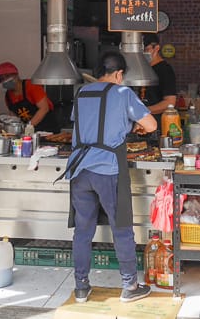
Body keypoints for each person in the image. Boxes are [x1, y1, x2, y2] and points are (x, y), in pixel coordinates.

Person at [61, 51, 157, 303]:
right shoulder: (123, 93)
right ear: (119, 74)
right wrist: (132, 124)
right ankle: (130, 286)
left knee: (83, 231)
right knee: (121, 227)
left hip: (80, 170)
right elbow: (151, 125)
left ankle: (81, 286)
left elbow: (84, 123)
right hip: (109, 169)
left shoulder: (81, 93)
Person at [0, 61, 58, 132]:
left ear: (16, 75)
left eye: (7, 76)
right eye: (2, 79)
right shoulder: (8, 96)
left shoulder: (31, 86)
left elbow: (44, 108)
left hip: (48, 130)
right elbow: (14, 118)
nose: (5, 80)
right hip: (28, 132)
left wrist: (28, 127)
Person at [140, 33, 177, 126]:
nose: (143, 53)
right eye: (140, 50)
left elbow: (170, 102)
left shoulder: (165, 70)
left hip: (157, 123)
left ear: (156, 48)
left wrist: (143, 111)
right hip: (140, 122)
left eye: (146, 50)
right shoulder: (140, 68)